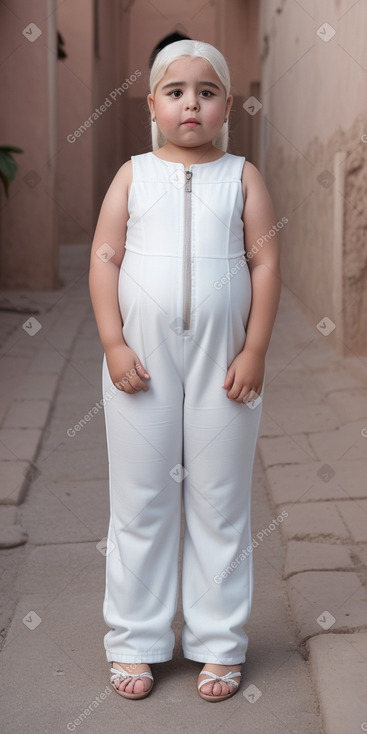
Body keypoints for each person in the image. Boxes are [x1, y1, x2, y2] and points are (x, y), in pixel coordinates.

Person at [89, 38, 281, 702]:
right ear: (153, 105)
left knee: (219, 501)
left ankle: (218, 643)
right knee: (140, 501)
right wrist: (113, 343)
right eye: (175, 92)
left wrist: (253, 349)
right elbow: (105, 260)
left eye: (205, 91)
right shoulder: (132, 174)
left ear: (226, 103)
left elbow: (263, 264)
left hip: (221, 366)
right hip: (140, 364)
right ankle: (135, 640)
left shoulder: (243, 177)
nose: (190, 104)